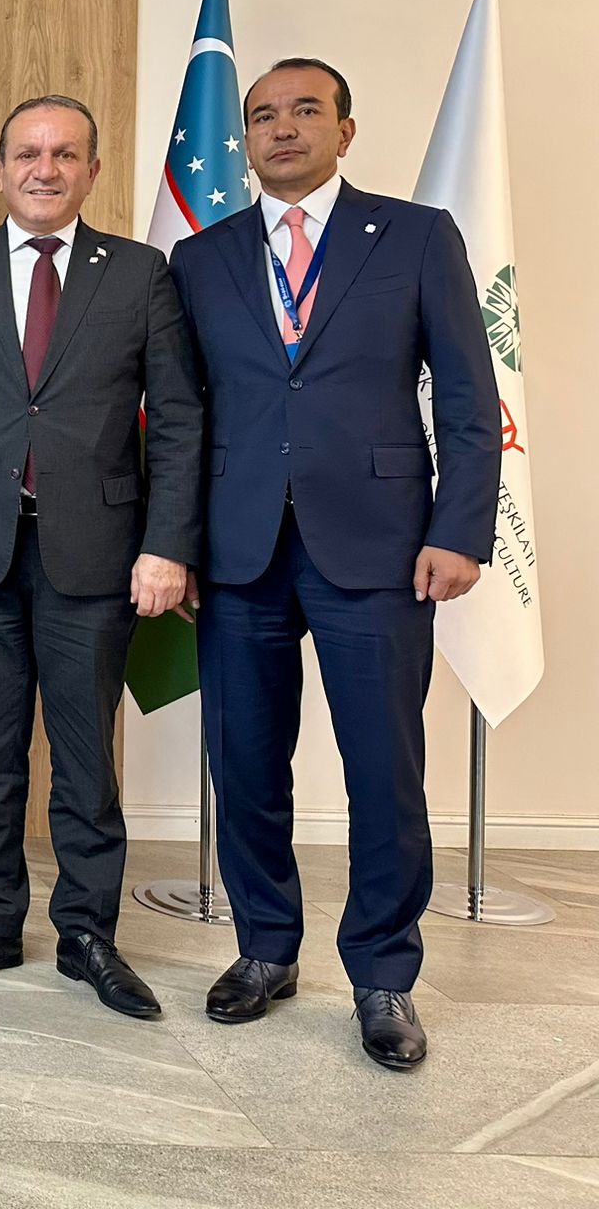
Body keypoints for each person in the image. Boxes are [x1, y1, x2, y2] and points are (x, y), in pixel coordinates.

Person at [170, 58, 499, 1069]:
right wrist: (175, 545)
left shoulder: (415, 236)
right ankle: (264, 949)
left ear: (344, 131)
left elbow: (467, 398)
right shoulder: (199, 256)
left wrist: (459, 529)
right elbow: (179, 417)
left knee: (382, 770)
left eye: (304, 110)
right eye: (263, 115)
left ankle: (383, 975)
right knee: (244, 763)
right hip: (237, 550)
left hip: (380, 547)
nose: (281, 128)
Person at [0, 95, 202, 1020]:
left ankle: (88, 935)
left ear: (92, 171)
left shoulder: (140, 274)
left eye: (65, 154)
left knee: (84, 762)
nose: (45, 169)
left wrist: (167, 546)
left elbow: (178, 420)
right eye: (27, 154)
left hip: (98, 558)